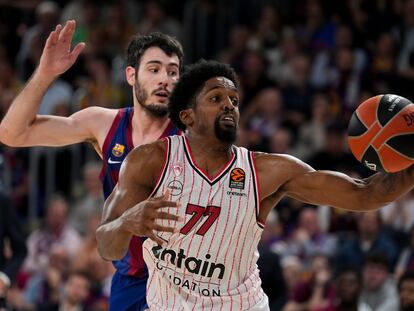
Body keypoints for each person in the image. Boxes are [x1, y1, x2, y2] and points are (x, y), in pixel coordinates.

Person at [96, 60, 414, 310]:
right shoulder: (149, 162)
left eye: (234, 100)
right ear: (188, 116)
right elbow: (106, 244)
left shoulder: (265, 171)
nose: (229, 105)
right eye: (216, 98)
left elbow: (367, 194)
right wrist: (126, 223)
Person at [0, 20, 184, 310]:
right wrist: (45, 74)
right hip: (131, 278)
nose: (165, 79)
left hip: (185, 277)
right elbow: (11, 133)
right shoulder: (104, 123)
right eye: (155, 69)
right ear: (131, 75)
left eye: (173, 72)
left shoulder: (192, 133)